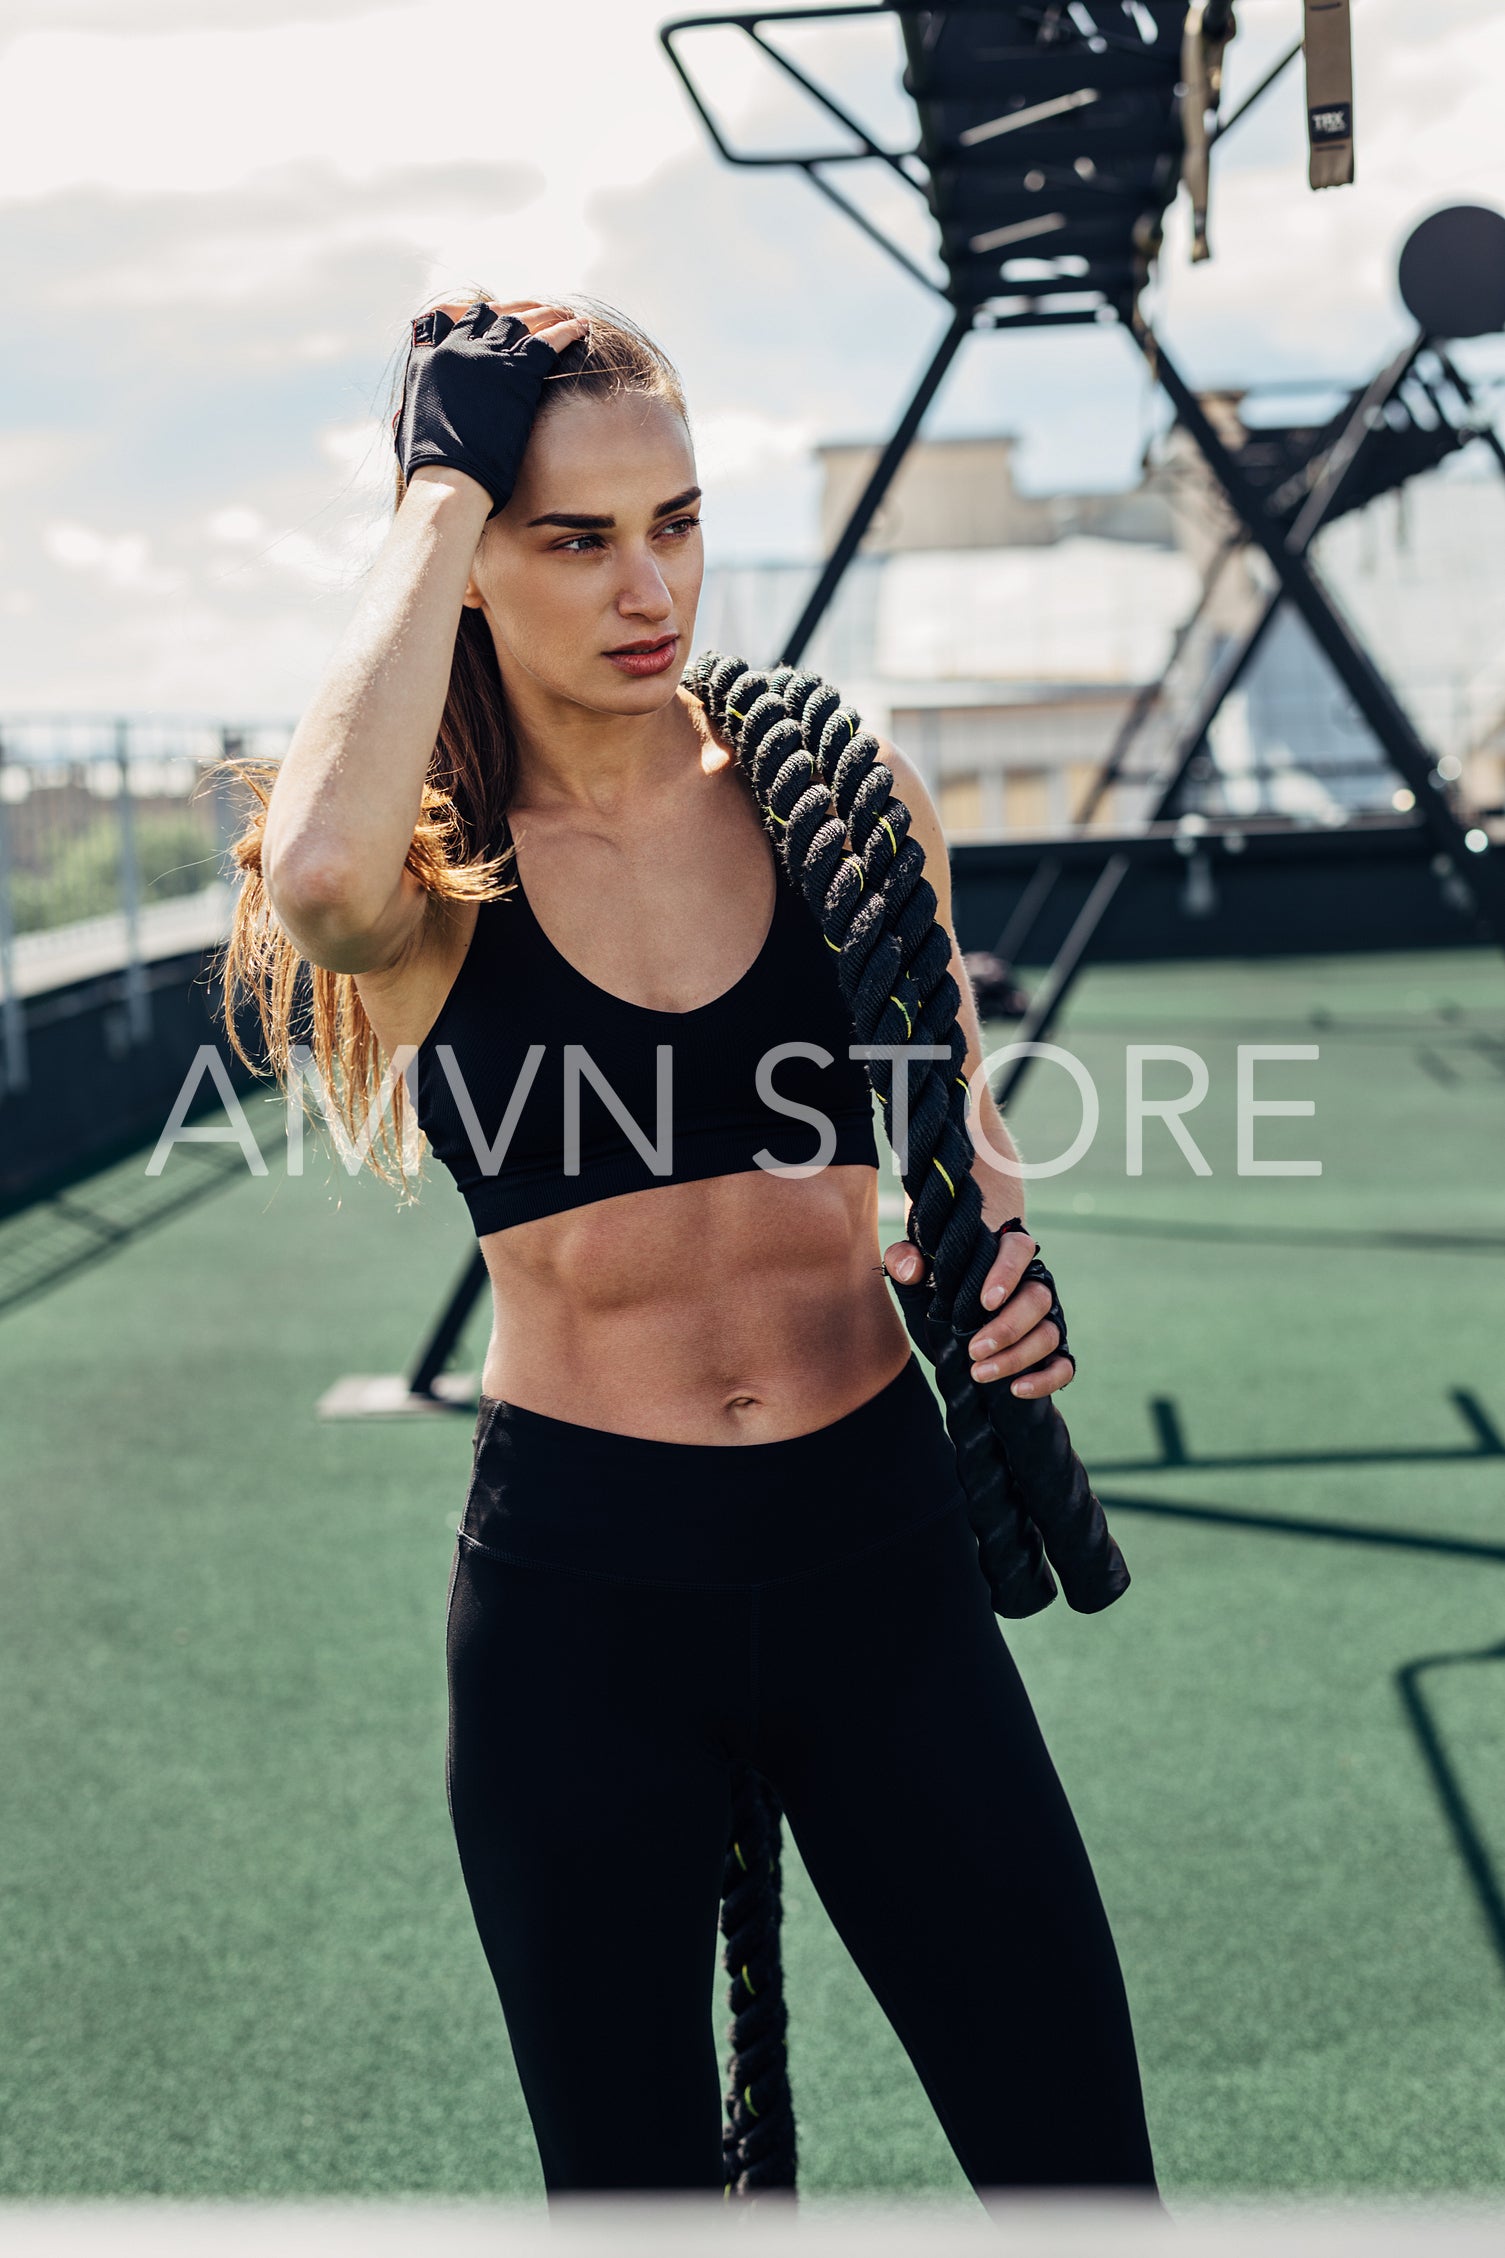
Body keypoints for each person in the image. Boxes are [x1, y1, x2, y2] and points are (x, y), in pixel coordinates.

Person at [223, 294, 1160, 2205]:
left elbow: (958, 1141)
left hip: (876, 1558)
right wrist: (431, 481)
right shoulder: (422, 872)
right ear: (469, 556)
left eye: (676, 520)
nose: (647, 584)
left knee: (1080, 2168)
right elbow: (309, 882)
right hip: (586, 1604)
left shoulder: (844, 801)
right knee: (637, 2202)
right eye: (573, 536)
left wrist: (999, 1278)